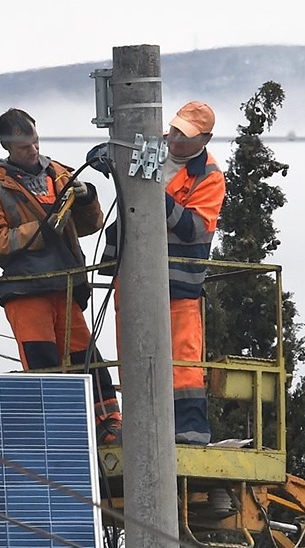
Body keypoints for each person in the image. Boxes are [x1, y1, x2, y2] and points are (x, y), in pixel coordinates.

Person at [0, 108, 122, 445]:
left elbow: (89, 225)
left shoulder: (59, 173)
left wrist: (87, 198)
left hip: (65, 284)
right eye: (26, 146)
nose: (34, 150)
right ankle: (59, 431)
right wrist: (37, 232)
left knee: (86, 357)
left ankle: (109, 423)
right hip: (26, 291)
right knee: (43, 362)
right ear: (8, 145)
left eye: (36, 142)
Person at [100, 100, 226, 445]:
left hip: (179, 284)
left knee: (183, 365)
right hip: (135, 279)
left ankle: (187, 432)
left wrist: (153, 195)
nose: (174, 139)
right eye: (173, 130)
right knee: (134, 356)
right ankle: (140, 428)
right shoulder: (152, 146)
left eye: (184, 136)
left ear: (205, 139)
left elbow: (192, 227)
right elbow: (127, 204)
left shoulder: (209, 177)